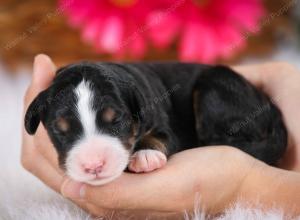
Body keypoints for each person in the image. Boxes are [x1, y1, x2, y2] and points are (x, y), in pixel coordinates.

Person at [21, 54, 300, 218]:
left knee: (214, 92)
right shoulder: (57, 101)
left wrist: (243, 183)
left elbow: (164, 133)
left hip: (226, 95)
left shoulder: (140, 97)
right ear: (39, 120)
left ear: (137, 110)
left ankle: (240, 144)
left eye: (114, 122)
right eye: (65, 131)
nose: (92, 160)